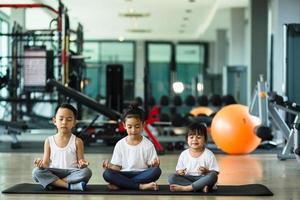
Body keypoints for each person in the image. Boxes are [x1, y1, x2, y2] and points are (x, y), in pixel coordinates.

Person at [32, 103, 92, 191]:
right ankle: (69, 186)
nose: (64, 122)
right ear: (54, 121)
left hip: (71, 172)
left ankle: (54, 183)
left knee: (87, 172)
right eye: (61, 119)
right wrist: (40, 166)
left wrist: (83, 165)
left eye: (69, 119)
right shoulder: (49, 141)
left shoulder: (77, 141)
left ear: (74, 122)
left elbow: (80, 164)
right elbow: (45, 164)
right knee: (36, 172)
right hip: (54, 171)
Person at [102, 104, 161, 190]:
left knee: (156, 171)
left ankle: (121, 185)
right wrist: (109, 166)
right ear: (124, 125)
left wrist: (155, 165)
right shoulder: (120, 144)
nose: (133, 130)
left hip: (142, 174)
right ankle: (141, 186)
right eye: (129, 127)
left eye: (137, 126)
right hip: (124, 173)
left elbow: (151, 167)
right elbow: (118, 167)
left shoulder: (148, 144)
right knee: (107, 174)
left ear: (143, 125)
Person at [168, 122, 219, 193]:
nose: (194, 139)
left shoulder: (209, 154)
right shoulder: (184, 154)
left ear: (205, 140)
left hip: (203, 179)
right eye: (191, 137)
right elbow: (178, 170)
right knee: (172, 177)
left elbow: (215, 172)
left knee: (213, 176)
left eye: (198, 137)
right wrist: (180, 172)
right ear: (187, 139)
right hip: (188, 178)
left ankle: (187, 188)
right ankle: (200, 188)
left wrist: (206, 171)